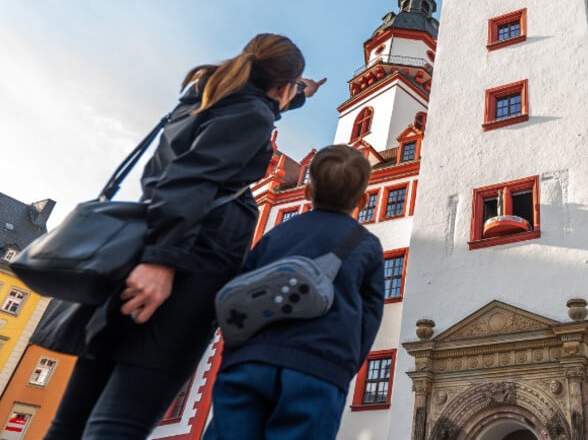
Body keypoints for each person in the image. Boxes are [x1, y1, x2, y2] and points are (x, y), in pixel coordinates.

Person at [45, 33, 324, 440]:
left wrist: (301, 93)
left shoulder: (204, 98)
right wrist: (162, 262)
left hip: (142, 257)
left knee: (70, 421)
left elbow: (185, 167)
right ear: (281, 85)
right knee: (120, 423)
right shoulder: (251, 114)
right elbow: (190, 178)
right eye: (291, 88)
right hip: (186, 270)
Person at [203, 144, 384, 440]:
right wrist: (344, 365)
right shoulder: (366, 245)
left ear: (307, 192)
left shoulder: (276, 233)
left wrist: (236, 351)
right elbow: (371, 315)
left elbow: (240, 286)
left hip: (250, 363)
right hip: (317, 371)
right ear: (362, 200)